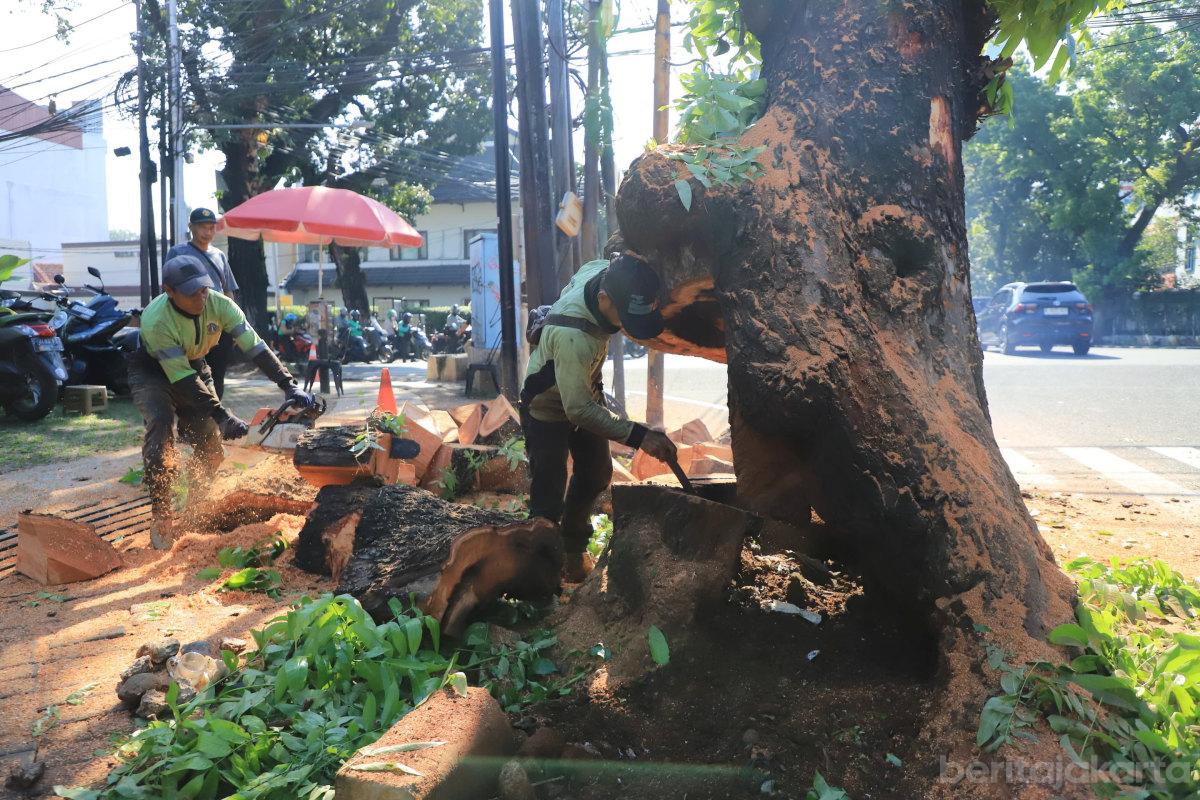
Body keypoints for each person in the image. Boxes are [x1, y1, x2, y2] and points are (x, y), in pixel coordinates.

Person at [129, 254, 313, 549]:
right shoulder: (156, 321)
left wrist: (288, 385)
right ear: (169, 291)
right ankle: (161, 513)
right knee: (160, 426)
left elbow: (255, 347)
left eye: (204, 289)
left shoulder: (221, 305)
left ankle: (195, 509)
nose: (201, 298)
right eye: (192, 293)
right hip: (153, 372)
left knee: (211, 447)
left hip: (194, 364)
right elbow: (182, 379)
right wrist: (222, 415)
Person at [521, 253, 678, 582]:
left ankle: (573, 547)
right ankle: (540, 574)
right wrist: (640, 436)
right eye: (624, 317)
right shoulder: (574, 337)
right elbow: (577, 410)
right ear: (605, 299)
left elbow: (599, 265)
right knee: (548, 490)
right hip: (545, 406)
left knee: (596, 472)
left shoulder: (601, 271)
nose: (624, 326)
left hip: (583, 389)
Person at [165, 208, 240, 398]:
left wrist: (232, 324)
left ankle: (215, 412)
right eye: (202, 227)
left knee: (217, 374)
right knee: (190, 375)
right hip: (187, 323)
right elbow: (169, 289)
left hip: (217, 325)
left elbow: (228, 291)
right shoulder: (177, 252)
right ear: (191, 227)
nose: (208, 232)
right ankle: (192, 413)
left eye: (211, 228)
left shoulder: (219, 256)